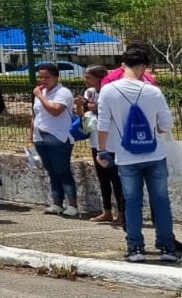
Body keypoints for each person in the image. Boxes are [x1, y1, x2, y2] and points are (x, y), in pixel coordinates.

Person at [96, 46, 177, 263]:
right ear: (144, 67)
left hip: (126, 156)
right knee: (160, 200)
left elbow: (103, 124)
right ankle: (167, 247)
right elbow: (165, 125)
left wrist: (103, 150)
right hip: (155, 154)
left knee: (132, 201)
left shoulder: (109, 90)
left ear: (122, 65)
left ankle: (136, 248)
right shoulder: (153, 91)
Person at [31, 63, 80, 218]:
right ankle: (57, 203)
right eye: (41, 77)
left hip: (58, 137)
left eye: (47, 77)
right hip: (40, 137)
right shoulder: (42, 92)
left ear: (56, 77)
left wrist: (40, 96)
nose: (43, 80)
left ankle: (73, 205)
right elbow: (35, 115)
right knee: (52, 171)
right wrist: (31, 136)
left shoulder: (62, 92)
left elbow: (55, 111)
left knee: (62, 171)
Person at [77, 66, 123, 224]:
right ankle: (107, 211)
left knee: (115, 179)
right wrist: (81, 105)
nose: (85, 80)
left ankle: (122, 213)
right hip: (95, 140)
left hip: (110, 142)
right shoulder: (90, 92)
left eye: (88, 77)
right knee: (102, 178)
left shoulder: (110, 91)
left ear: (99, 78)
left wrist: (98, 108)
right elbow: (84, 117)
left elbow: (115, 113)